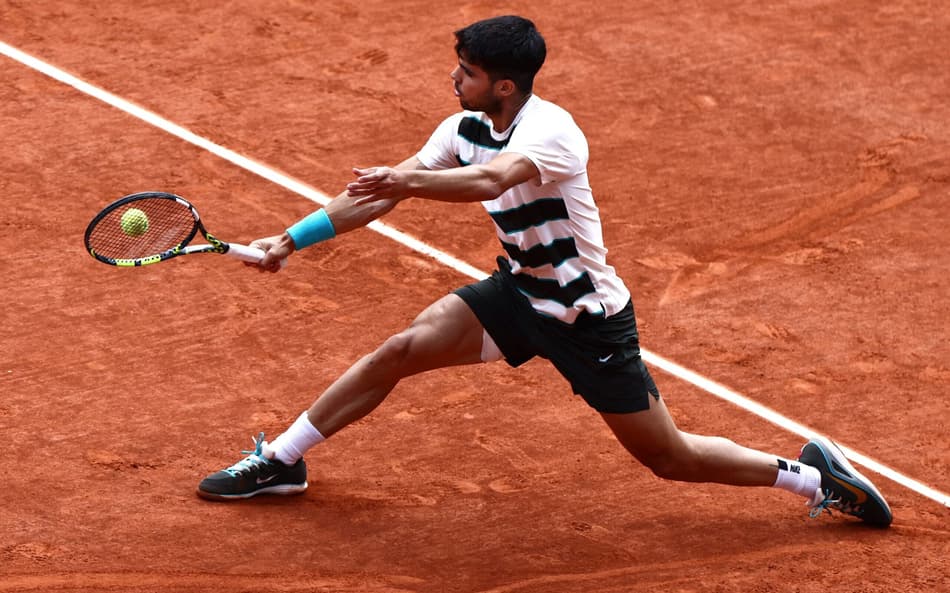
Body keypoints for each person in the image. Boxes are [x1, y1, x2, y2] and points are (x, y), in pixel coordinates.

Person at [196, 15, 892, 528]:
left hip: (587, 317)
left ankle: (809, 475)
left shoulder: (550, 131)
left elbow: (489, 180)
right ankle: (284, 459)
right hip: (519, 292)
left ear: (502, 84)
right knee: (401, 349)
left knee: (669, 456)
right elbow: (374, 194)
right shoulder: (460, 127)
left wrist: (405, 183)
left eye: (465, 71)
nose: (453, 78)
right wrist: (290, 239)